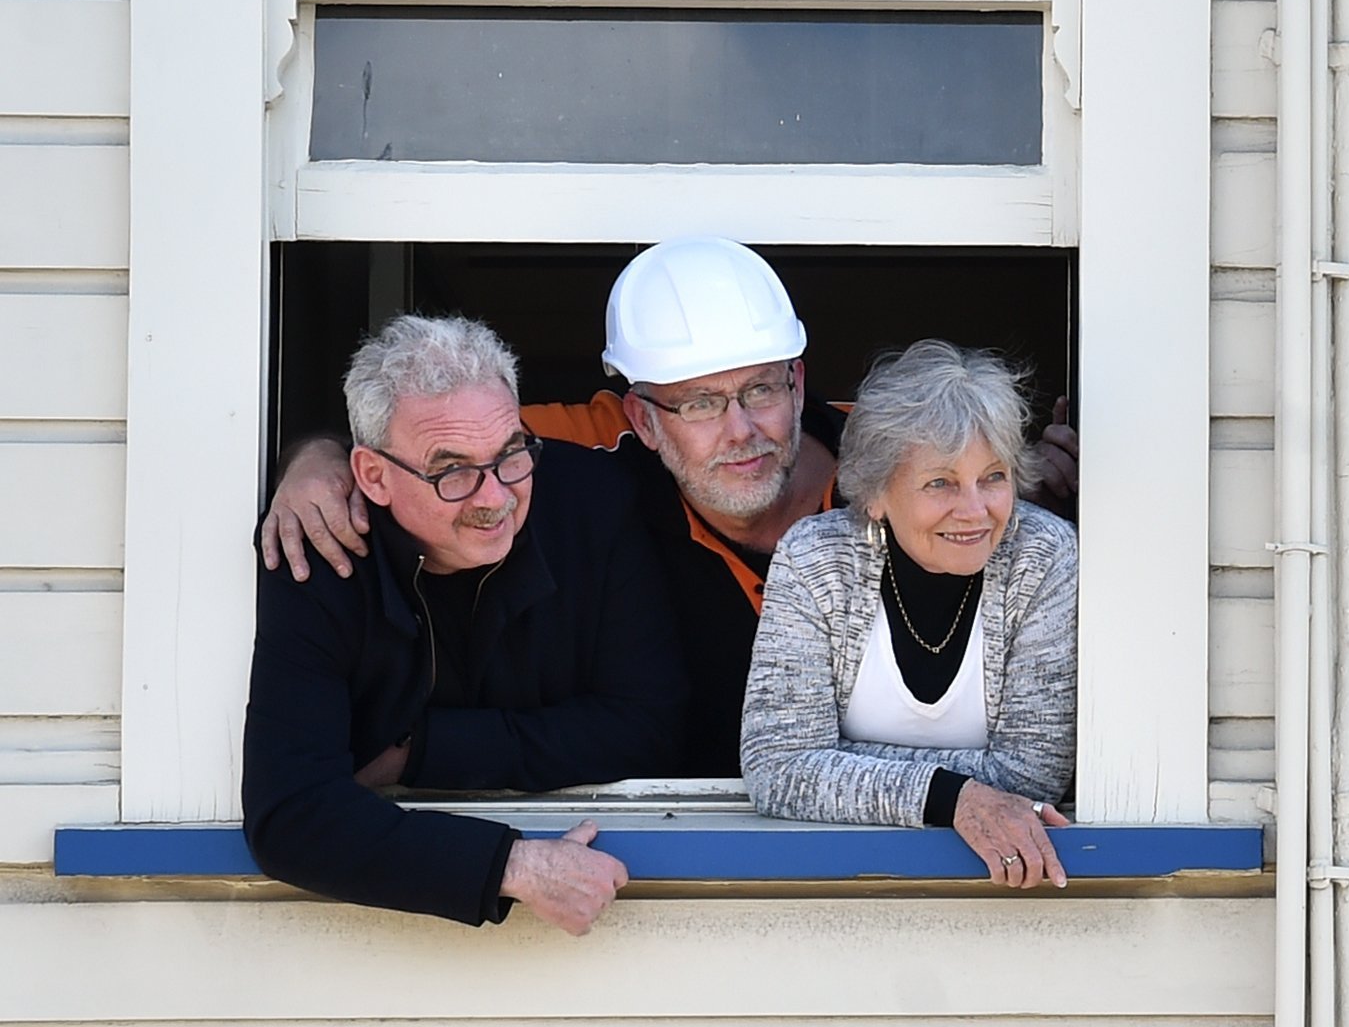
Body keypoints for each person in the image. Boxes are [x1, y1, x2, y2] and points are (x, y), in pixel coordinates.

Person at [259, 237, 1085, 775]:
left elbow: (986, 458)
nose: (743, 430)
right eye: (699, 404)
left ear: (797, 379)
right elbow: (424, 439)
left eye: (761, 388)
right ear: (643, 420)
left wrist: (1048, 480)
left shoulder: (903, 456)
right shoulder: (586, 451)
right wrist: (314, 461)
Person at [241, 316, 686, 932]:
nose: (495, 497)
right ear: (372, 475)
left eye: (510, 455)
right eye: (452, 471)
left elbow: (650, 723)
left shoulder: (591, 502)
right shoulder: (321, 544)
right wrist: (511, 866)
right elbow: (291, 814)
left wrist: (419, 753)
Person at [742, 342, 1079, 888]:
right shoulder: (815, 558)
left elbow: (1031, 774)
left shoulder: (1043, 555)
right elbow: (777, 768)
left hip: (1002, 895)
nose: (974, 511)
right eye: (940, 482)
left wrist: (836, 762)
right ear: (875, 493)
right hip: (834, 886)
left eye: (993, 477)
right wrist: (956, 796)